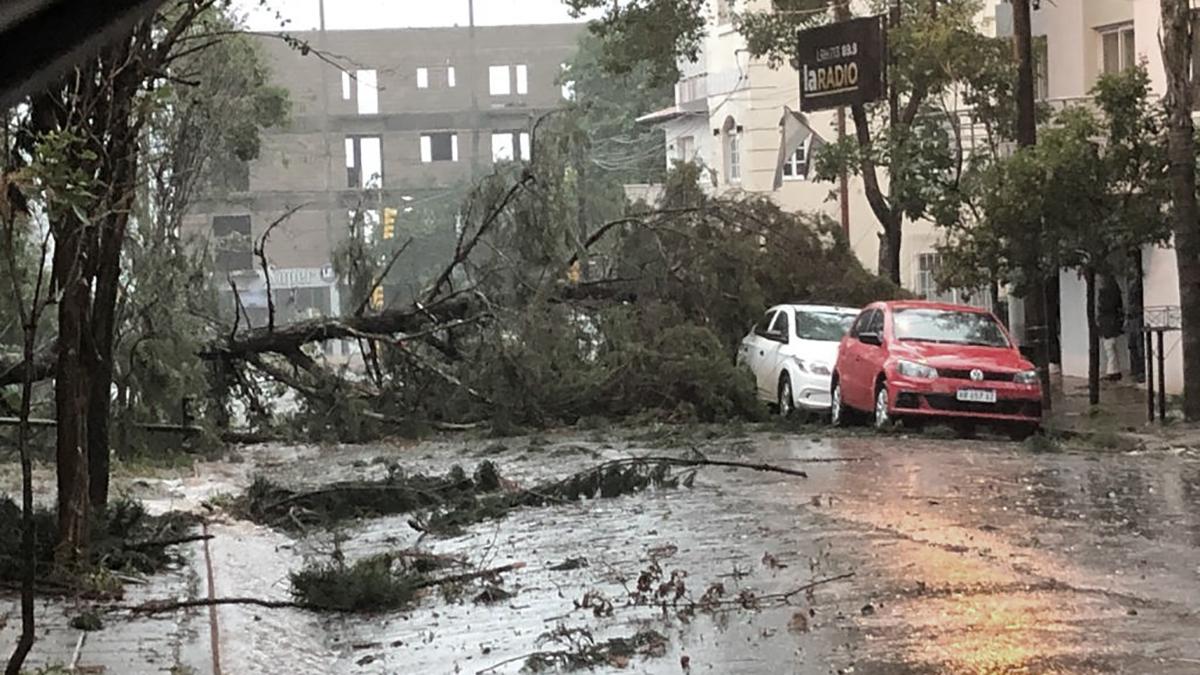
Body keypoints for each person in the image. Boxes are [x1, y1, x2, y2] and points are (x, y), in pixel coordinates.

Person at [1097, 274, 1124, 381]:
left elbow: (1104, 308)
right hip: (1111, 322)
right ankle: (1113, 370)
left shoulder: (1105, 293)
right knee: (1110, 347)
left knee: (1109, 347)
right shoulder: (1114, 291)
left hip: (1108, 323)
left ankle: (1113, 371)